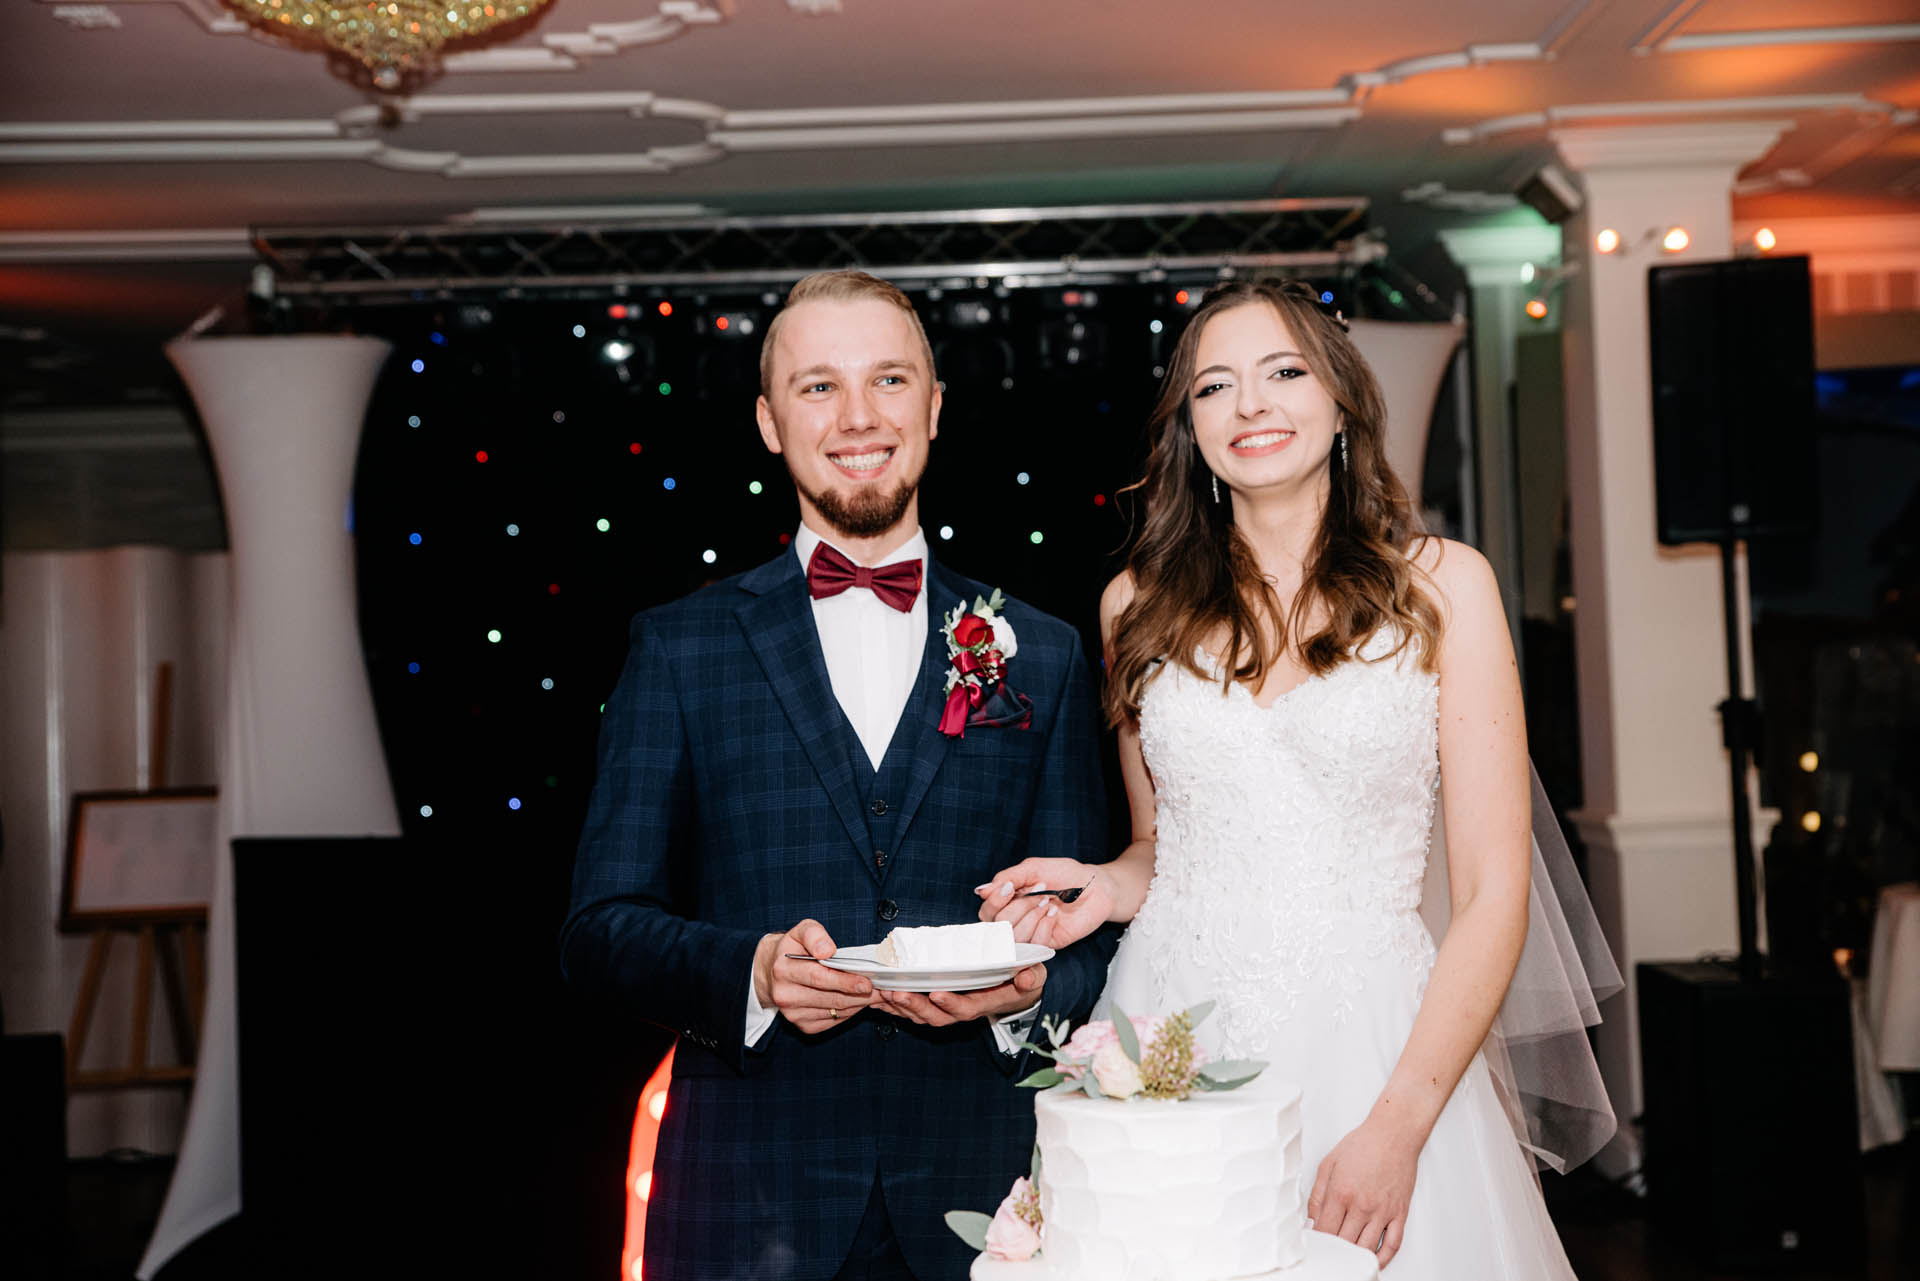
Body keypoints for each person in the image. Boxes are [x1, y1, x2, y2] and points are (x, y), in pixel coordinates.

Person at [977, 278, 1612, 1279]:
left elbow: (1495, 895)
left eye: (1284, 372)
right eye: (1214, 386)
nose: (1251, 405)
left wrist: (1399, 1127)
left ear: (1341, 398)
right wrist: (1101, 884)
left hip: (1378, 1047)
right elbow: (1161, 847)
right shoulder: (1133, 605)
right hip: (1174, 1036)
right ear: (1189, 427)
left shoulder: (1445, 586)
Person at [561, 269, 1118, 1281]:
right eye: (818, 386)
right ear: (769, 422)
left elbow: (1093, 933)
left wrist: (1029, 989)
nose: (858, 416)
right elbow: (599, 931)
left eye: (888, 380)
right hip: (746, 1201)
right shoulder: (679, 647)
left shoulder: (1044, 652)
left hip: (990, 1202)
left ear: (934, 407)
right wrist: (755, 973)